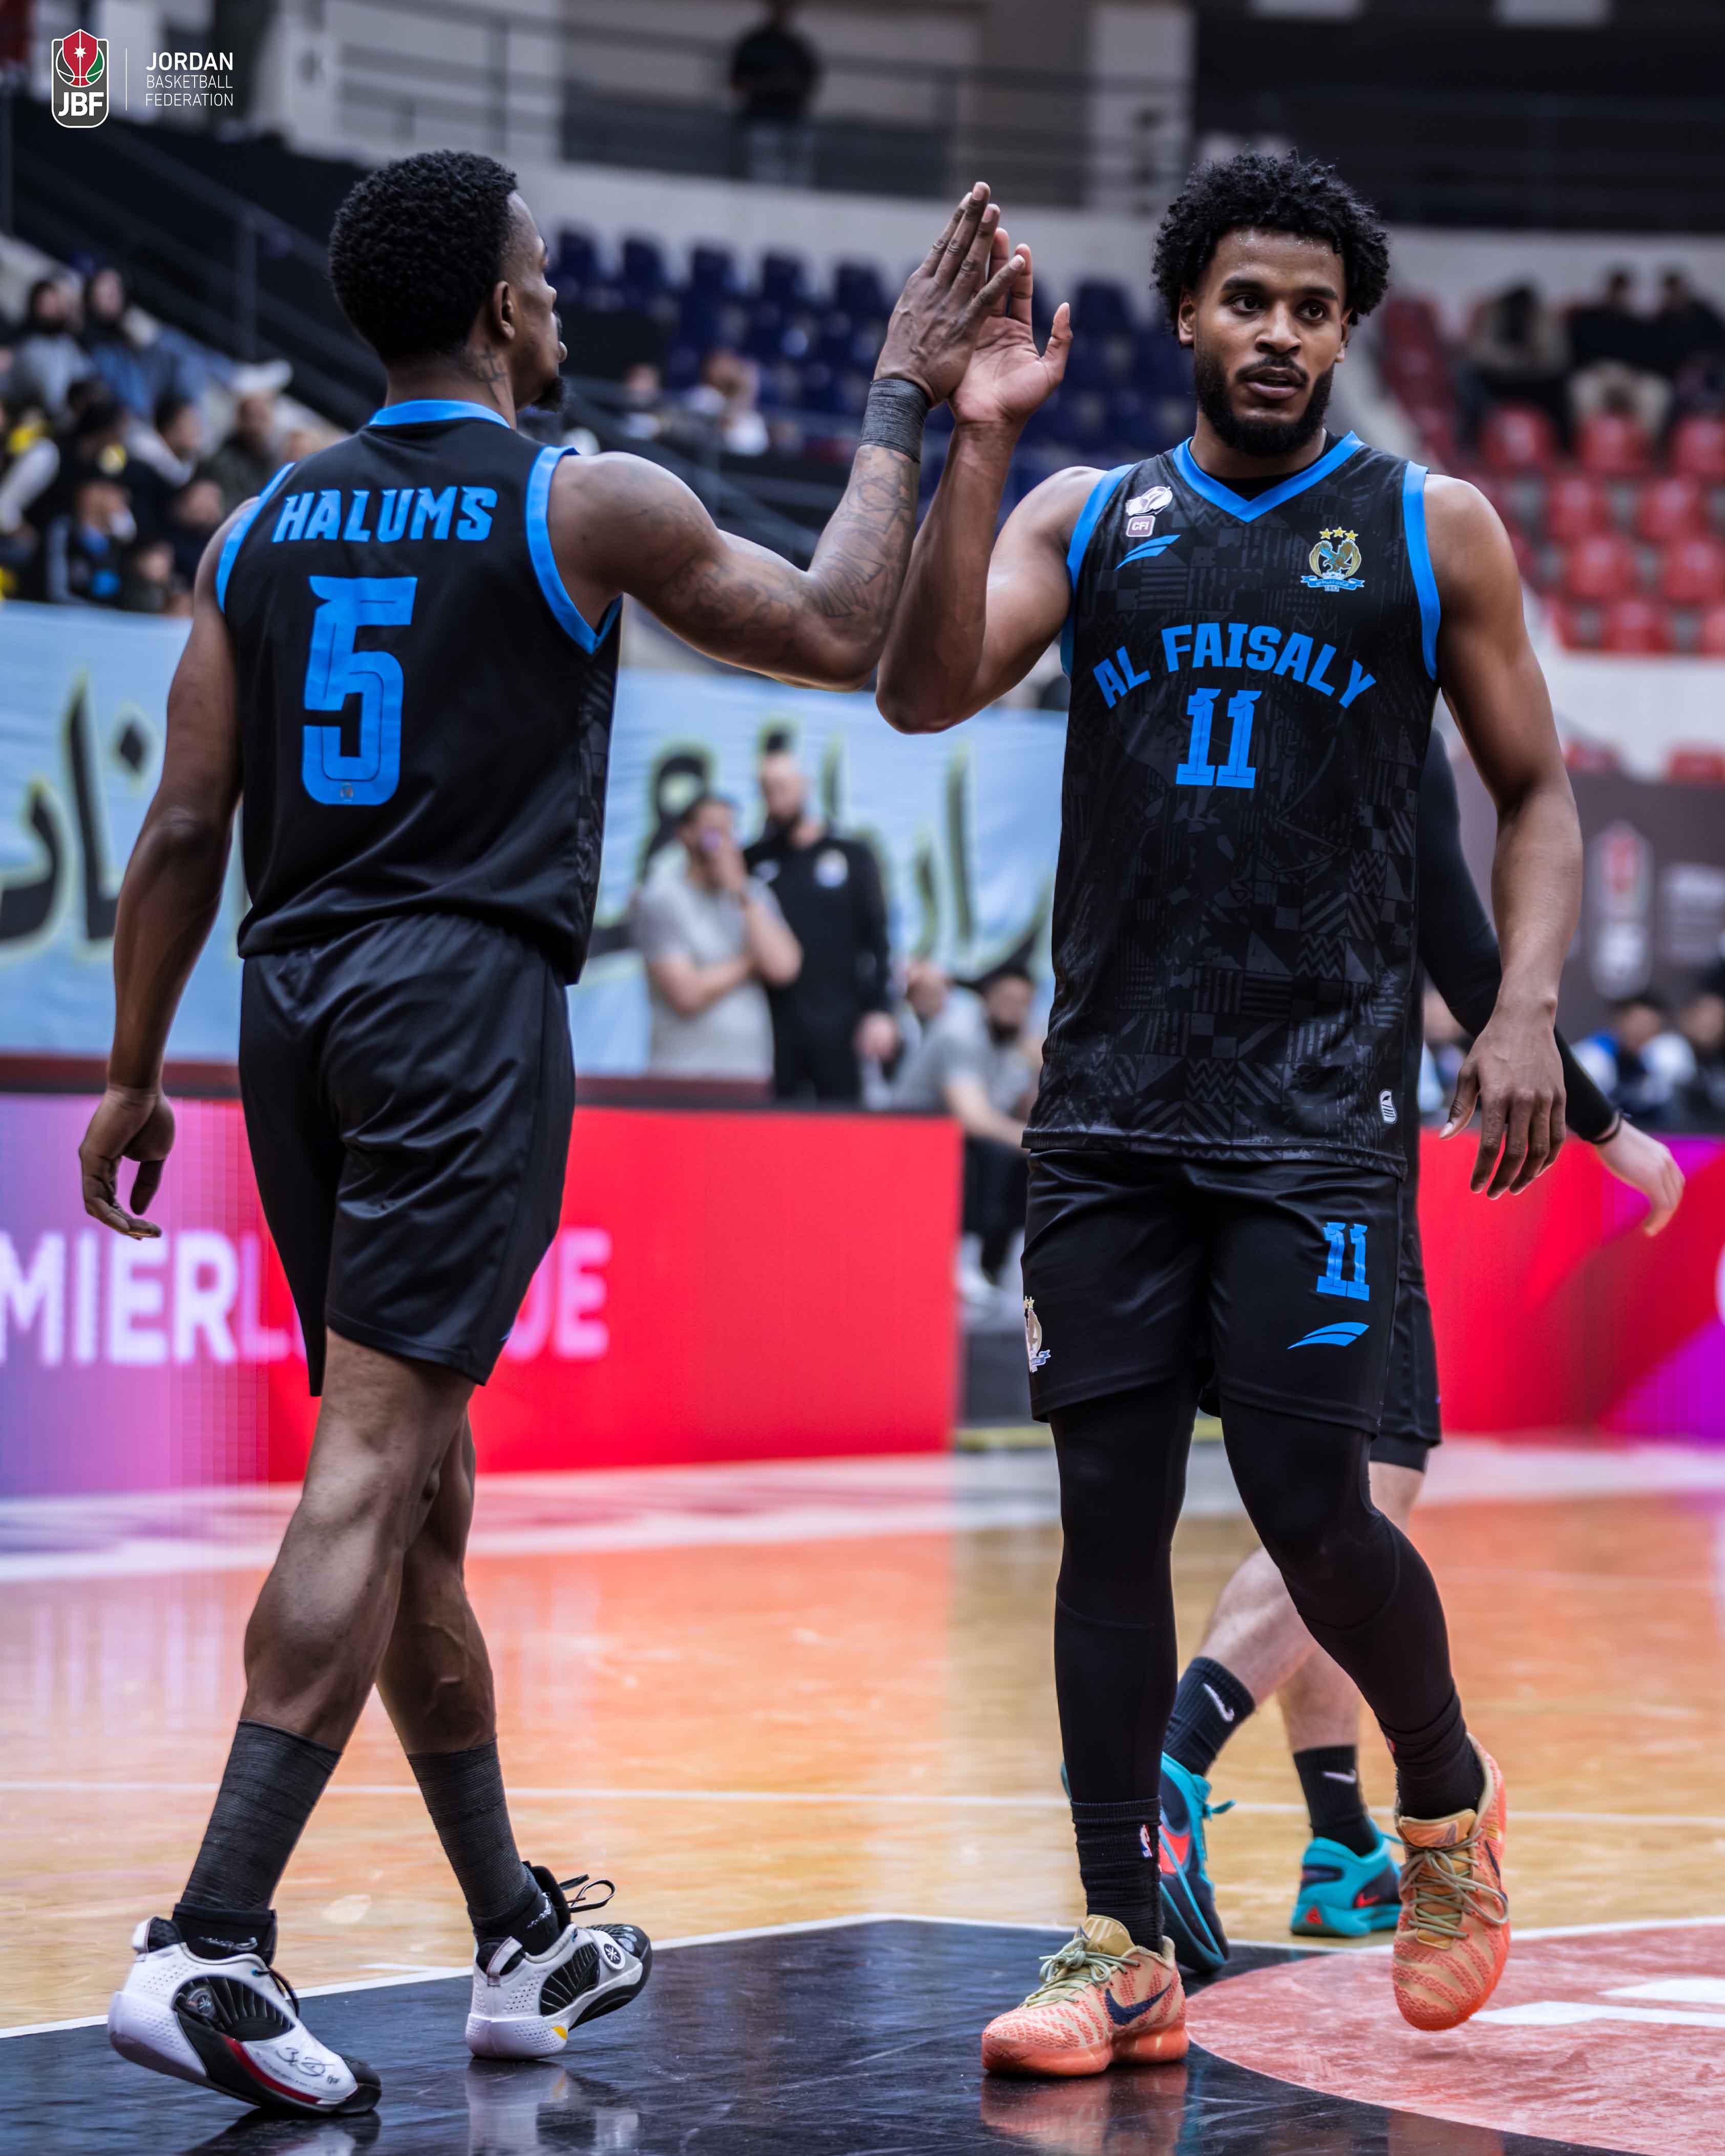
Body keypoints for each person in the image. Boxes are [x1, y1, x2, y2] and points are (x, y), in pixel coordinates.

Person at [81, 148, 1022, 2118]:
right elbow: (842, 624)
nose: (564, 302)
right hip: (457, 1002)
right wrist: (898, 395)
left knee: (420, 1479)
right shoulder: (575, 497)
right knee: (373, 1459)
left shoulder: (255, 526)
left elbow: (176, 828)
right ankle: (209, 1938)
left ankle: (512, 1926)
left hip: (289, 1001)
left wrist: (132, 1071)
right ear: (504, 309)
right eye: (546, 274)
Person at [876, 150, 1583, 2073]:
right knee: (1101, 1529)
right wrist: (970, 438)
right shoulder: (1087, 513)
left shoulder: (1427, 526)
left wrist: (1522, 1006)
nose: (1277, 333)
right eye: (1247, 300)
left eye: (1311, 309)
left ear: (1344, 334)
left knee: (1314, 1512)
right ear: (1188, 313)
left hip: (1316, 1107)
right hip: (1108, 1105)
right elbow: (925, 690)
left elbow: (1535, 791)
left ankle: (1444, 1798)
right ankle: (1120, 1939)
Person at [1152, 732, 1686, 1973]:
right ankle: (1167, 1765)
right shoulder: (1387, 701)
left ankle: (1339, 1843)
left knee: (1314, 1505)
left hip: (1166, 1139)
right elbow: (1464, 943)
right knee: (1355, 1515)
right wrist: (1607, 1130)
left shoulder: (1199, 690)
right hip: (1325, 1157)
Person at [745, 740, 895, 1101]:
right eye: (767, 789)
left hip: (842, 1018)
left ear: (805, 785)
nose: (776, 798)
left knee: (842, 1119)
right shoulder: (752, 861)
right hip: (776, 1023)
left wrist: (880, 1011)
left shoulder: (852, 855)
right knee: (777, 1122)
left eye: (783, 786)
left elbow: (878, 938)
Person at [892, 962, 1039, 1301]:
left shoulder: (1016, 1040)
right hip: (913, 1137)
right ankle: (963, 1258)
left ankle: (995, 1268)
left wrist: (1039, 1071)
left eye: (1023, 1003)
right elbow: (972, 1118)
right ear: (987, 998)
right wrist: (1034, 1142)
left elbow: (1025, 1113)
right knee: (996, 1153)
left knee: (1025, 1162)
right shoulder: (959, 1034)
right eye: (1007, 999)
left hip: (963, 1139)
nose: (1014, 1010)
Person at [634, 792, 802, 1082]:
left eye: (730, 831)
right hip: (683, 1074)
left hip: (749, 1072)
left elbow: (784, 968)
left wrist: (742, 893)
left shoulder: (753, 895)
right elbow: (686, 994)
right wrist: (750, 962)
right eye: (714, 831)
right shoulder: (661, 897)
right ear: (686, 835)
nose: (725, 842)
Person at [1566, 267, 1669, 441]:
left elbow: (1651, 358)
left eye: (1624, 290)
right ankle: (1589, 443)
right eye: (1616, 289)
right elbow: (1577, 354)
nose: (1619, 295)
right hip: (1598, 375)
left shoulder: (1639, 324)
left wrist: (1637, 373)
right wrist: (1593, 368)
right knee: (1583, 390)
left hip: (1631, 377)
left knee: (1656, 392)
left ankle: (1643, 445)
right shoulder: (1588, 319)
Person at [730, 0, 821, 186]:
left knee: (797, 177)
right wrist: (769, 84)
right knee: (764, 177)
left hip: (792, 120)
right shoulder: (754, 44)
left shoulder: (797, 47)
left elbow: (809, 83)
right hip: (761, 119)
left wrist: (788, 85)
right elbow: (737, 82)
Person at [1575, 991, 1695, 1125]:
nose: (1640, 1032)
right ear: (1619, 1021)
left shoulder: (1661, 1061)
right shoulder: (1592, 1058)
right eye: (1636, 1023)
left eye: (1649, 1025)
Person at [3, 277, 91, 420]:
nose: (53, 308)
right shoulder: (26, 344)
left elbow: (86, 377)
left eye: (56, 303)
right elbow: (53, 398)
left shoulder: (68, 344)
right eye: (45, 303)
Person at [200, 387, 284, 514]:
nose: (256, 425)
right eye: (252, 416)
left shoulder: (272, 462)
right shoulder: (224, 459)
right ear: (241, 419)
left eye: (262, 417)